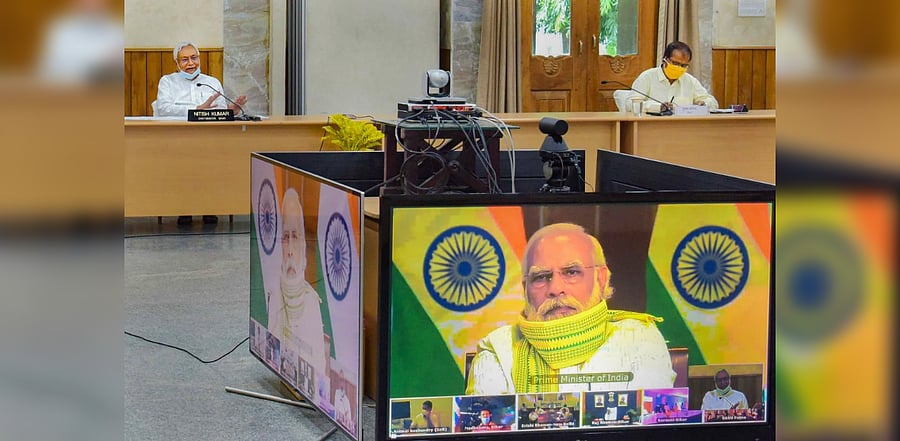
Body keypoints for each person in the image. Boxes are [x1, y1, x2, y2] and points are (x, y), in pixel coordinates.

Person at [465, 223, 675, 394]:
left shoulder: (639, 337)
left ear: (600, 279)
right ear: (525, 289)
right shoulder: (497, 350)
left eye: (571, 272)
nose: (556, 289)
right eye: (540, 277)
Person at [156, 41, 248, 225]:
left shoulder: (212, 82)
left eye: (194, 58)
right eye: (185, 59)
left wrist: (232, 109)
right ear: (176, 63)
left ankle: (210, 208)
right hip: (177, 141)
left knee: (211, 168)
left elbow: (220, 111)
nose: (191, 63)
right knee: (183, 172)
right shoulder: (167, 81)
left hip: (210, 140)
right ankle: (184, 210)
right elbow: (164, 108)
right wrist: (197, 109)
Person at [267, 188, 328, 392]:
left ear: (303, 244)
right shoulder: (275, 292)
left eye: (296, 237)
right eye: (285, 237)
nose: (290, 249)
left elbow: (318, 374)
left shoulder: (311, 302)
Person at [629, 41, 719, 113]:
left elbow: (713, 102)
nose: (679, 68)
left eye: (683, 65)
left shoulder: (690, 81)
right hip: (653, 127)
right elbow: (630, 104)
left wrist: (704, 104)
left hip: (683, 129)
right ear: (664, 59)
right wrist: (657, 107)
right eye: (675, 63)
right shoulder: (647, 77)